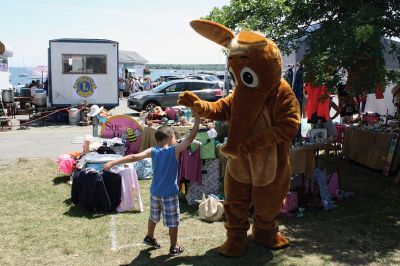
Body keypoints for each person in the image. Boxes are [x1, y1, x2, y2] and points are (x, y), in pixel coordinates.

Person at [103, 110, 201, 256]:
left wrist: (113, 162)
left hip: (155, 192)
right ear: (169, 137)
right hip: (169, 194)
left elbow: (133, 157)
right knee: (173, 221)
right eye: (174, 136)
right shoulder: (174, 150)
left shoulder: (153, 150)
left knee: (154, 216)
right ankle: (174, 247)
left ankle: (150, 236)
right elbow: (190, 139)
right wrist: (198, 120)